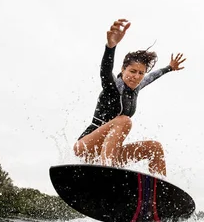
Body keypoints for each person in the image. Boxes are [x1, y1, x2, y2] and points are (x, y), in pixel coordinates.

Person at [73, 18, 186, 176]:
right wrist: (110, 47)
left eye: (140, 73)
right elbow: (105, 71)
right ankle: (108, 173)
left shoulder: (137, 86)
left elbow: (152, 76)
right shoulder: (112, 87)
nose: (136, 76)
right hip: (86, 147)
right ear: (123, 69)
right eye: (132, 71)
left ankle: (156, 196)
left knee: (155, 147)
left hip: (110, 152)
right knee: (124, 120)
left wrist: (169, 68)